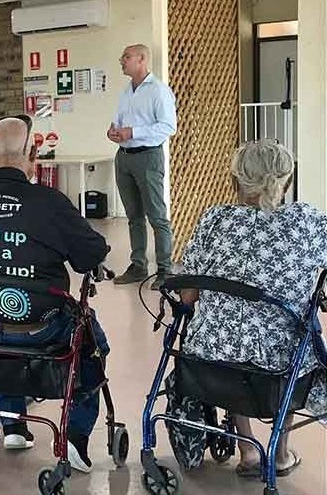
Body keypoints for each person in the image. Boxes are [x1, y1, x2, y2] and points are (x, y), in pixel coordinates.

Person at [0, 117, 110, 472]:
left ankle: (12, 424)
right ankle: (76, 436)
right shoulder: (49, 202)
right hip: (41, 327)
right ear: (33, 153)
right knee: (93, 346)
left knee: (0, 310)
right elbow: (91, 255)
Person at [179, 141, 327, 479]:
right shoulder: (310, 223)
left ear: (235, 180)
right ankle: (280, 452)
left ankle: (247, 450)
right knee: (298, 335)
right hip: (278, 361)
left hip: (212, 353)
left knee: (229, 335)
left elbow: (188, 295)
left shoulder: (214, 219)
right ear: (287, 180)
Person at [107, 44, 177, 290]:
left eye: (126, 56)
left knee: (156, 216)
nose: (121, 60)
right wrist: (113, 131)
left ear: (141, 59)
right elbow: (119, 122)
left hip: (148, 157)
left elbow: (168, 127)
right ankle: (138, 265)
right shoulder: (126, 92)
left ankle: (165, 270)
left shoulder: (159, 91)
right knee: (133, 216)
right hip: (124, 157)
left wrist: (133, 132)